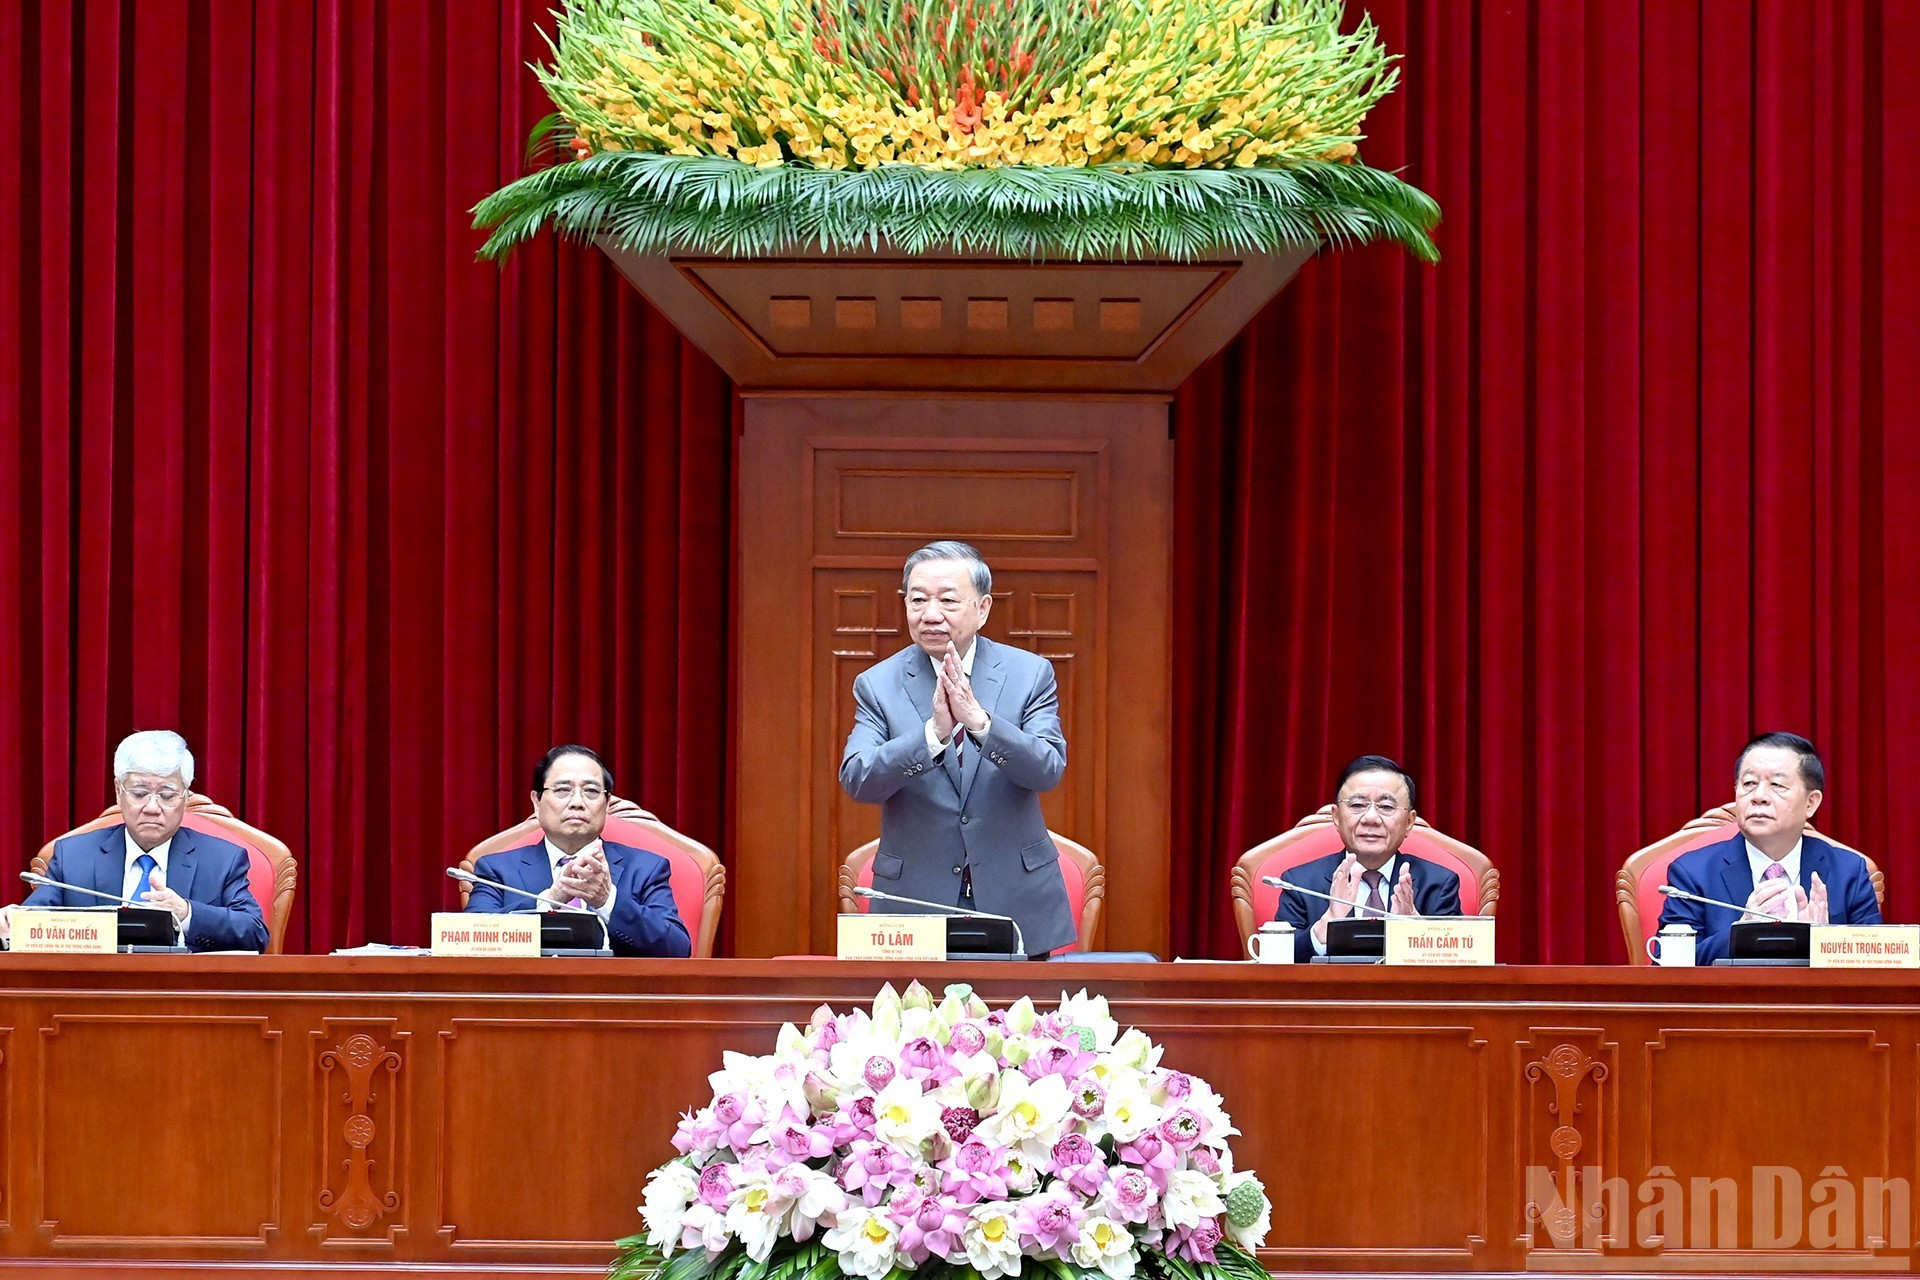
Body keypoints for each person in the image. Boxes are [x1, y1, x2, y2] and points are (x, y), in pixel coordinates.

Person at [839, 541, 1075, 957]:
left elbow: (1048, 768)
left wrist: (981, 725)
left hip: (1016, 898)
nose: (930, 614)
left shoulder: (1029, 674)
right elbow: (859, 779)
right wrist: (932, 736)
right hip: (914, 903)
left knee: (1017, 1022)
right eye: (917, 600)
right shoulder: (876, 683)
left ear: (982, 608)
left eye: (947, 600)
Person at [2, 730, 267, 952]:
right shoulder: (74, 856)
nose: (152, 807)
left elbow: (255, 933)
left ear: (186, 797)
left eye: (167, 795)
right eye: (139, 793)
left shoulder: (222, 860)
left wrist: (186, 912)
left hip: (186, 1003)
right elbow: (30, 927)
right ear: (119, 792)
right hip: (91, 1000)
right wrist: (10, 924)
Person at [1658, 731, 1880, 965]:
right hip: (1731, 1001)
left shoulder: (1849, 871)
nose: (1759, 796)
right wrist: (1741, 934)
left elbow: (1878, 967)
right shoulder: (1693, 872)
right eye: (1749, 783)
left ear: (1811, 803)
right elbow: (1667, 963)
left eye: (1777, 785)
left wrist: (1825, 944)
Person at [465, 744, 691, 957]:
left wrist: (607, 901)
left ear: (606, 802)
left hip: (614, 995)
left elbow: (677, 949)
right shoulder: (496, 869)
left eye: (591, 791)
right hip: (528, 995)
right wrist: (549, 901)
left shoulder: (646, 869)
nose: (577, 802)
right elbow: (467, 942)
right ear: (537, 801)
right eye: (563, 790)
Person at [1276, 755, 1462, 961]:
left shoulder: (1439, 884)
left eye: (1386, 807)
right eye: (1357, 805)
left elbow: (1458, 968)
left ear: (1409, 822)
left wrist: (1415, 932)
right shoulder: (1299, 883)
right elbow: (1277, 963)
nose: (1371, 818)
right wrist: (1327, 924)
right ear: (1336, 817)